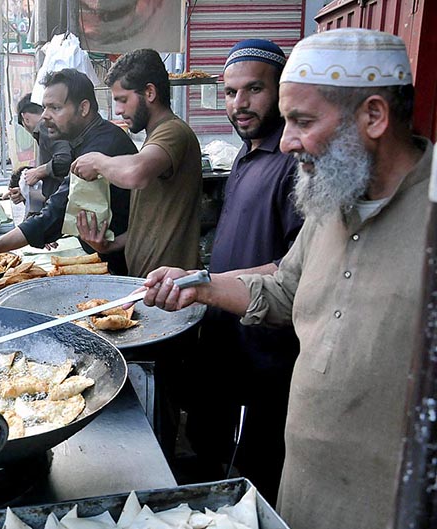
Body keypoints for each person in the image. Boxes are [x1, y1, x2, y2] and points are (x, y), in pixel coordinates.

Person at [141, 29, 431, 529]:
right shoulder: (331, 193)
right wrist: (198, 285)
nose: (288, 139)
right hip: (303, 490)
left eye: (303, 120)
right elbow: (285, 288)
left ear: (375, 116)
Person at [180, 40, 303, 504]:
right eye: (231, 92)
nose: (240, 103)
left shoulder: (294, 163)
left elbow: (294, 268)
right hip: (224, 339)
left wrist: (204, 285)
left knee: (252, 472)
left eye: (254, 89)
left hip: (264, 350)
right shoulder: (246, 155)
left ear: (281, 92)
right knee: (211, 447)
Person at [0, 69, 135, 290]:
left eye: (55, 108)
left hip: (125, 269)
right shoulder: (87, 140)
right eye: (45, 107)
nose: (44, 116)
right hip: (109, 257)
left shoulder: (101, 147)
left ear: (83, 108)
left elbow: (56, 210)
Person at [70, 48, 202, 278]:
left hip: (174, 291)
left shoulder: (173, 132)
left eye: (123, 100)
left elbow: (135, 173)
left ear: (149, 92)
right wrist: (111, 246)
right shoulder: (156, 136)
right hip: (150, 285)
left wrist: (98, 161)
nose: (119, 110)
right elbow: (152, 226)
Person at [10, 93, 72, 212]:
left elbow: (65, 160)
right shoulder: (54, 127)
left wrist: (39, 171)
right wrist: (25, 192)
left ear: (25, 118)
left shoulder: (44, 127)